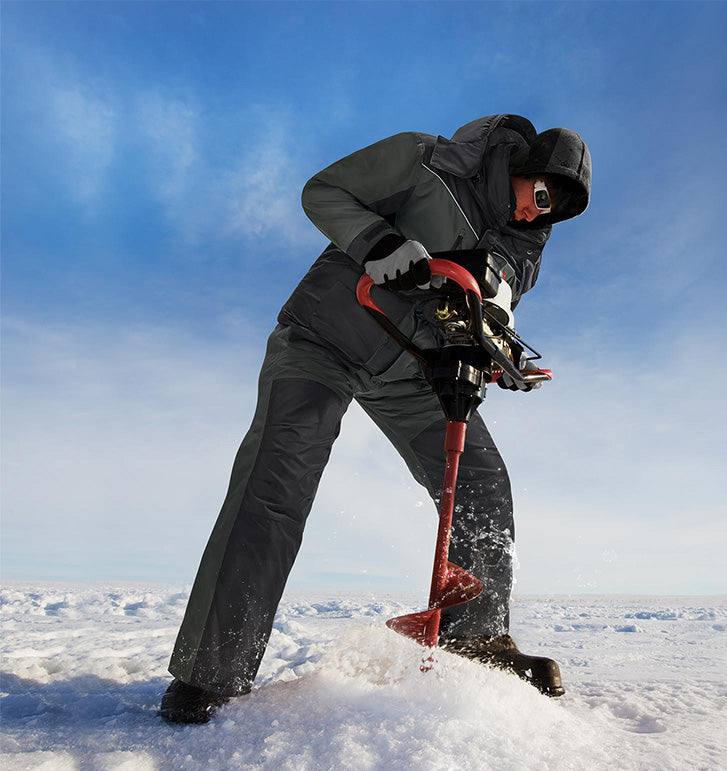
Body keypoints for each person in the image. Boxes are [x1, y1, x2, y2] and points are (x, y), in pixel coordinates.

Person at [159, 114, 591, 724]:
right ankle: (211, 673)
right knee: (277, 485)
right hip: (326, 340)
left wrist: (495, 349)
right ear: (526, 167)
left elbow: (490, 305)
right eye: (541, 198)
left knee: (483, 482)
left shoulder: (524, 246)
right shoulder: (430, 163)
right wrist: (380, 245)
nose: (536, 216)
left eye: (553, 215)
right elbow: (324, 191)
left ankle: (475, 642)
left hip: (412, 371)